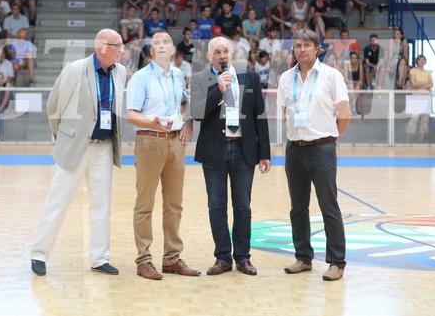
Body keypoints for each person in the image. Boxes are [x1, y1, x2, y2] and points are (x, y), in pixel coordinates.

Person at [31, 29, 126, 276]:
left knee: (102, 205)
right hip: (75, 146)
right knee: (58, 201)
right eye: (118, 46)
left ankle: (99, 258)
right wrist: (63, 137)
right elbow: (54, 106)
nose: (122, 50)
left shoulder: (122, 72)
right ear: (102, 47)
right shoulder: (75, 69)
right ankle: (39, 254)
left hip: (104, 148)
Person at [190, 35, 271, 276]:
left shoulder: (250, 77)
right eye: (217, 52)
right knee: (216, 206)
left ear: (232, 53)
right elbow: (196, 113)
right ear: (209, 56)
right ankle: (223, 257)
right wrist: (218, 89)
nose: (222, 56)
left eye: (226, 51)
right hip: (214, 150)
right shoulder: (199, 79)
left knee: (243, 207)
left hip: (243, 149)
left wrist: (264, 153)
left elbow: (260, 116)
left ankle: (243, 257)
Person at [278, 29, 351, 282]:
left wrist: (329, 140)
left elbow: (345, 114)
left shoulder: (331, 76)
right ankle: (303, 257)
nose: (302, 49)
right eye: (297, 45)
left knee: (328, 207)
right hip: (294, 148)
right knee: (298, 208)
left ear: (317, 48)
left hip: (322, 148)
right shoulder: (286, 78)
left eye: (307, 45)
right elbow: (285, 111)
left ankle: (336, 262)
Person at [126, 31, 200, 280]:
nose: (160, 45)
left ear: (172, 50)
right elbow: (131, 114)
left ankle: (171, 259)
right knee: (145, 205)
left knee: (174, 205)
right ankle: (143, 260)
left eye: (165, 42)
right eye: (156, 42)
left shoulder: (178, 75)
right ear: (150, 51)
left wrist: (186, 121)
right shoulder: (140, 78)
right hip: (149, 141)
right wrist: (153, 121)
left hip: (175, 144)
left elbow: (183, 102)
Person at [405, 55, 433, 144]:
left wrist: (419, 84)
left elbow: (431, 85)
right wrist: (425, 84)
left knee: (425, 119)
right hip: (416, 98)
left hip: (426, 98)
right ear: (417, 61)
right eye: (420, 60)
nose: (422, 61)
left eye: (423, 60)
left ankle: (421, 138)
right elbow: (414, 83)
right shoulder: (413, 70)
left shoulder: (428, 73)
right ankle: (408, 138)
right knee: (414, 119)